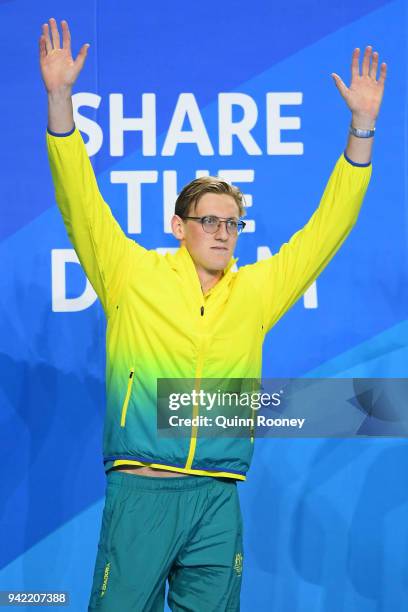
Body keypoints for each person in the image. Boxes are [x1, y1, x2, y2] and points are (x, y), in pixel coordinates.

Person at [39, 17, 386, 612]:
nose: (224, 233)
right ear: (179, 227)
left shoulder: (256, 290)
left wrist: (362, 129)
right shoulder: (130, 273)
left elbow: (327, 230)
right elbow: (79, 200)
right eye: (210, 221)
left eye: (233, 223)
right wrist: (60, 99)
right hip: (142, 490)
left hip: (218, 501)